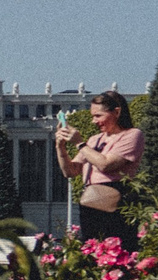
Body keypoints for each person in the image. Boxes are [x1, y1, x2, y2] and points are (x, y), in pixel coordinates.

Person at [55, 90, 141, 249]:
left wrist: (79, 144)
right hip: (91, 202)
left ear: (116, 112)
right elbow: (71, 171)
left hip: (116, 202)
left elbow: (105, 165)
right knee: (92, 250)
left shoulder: (132, 135)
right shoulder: (94, 140)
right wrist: (60, 147)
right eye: (92, 116)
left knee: (118, 250)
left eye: (98, 116)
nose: (94, 121)